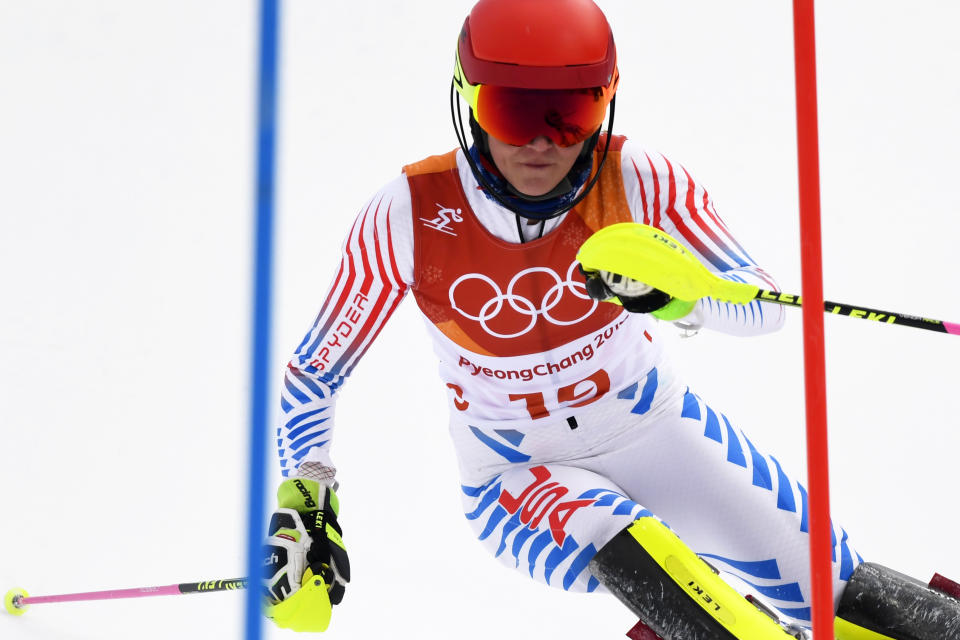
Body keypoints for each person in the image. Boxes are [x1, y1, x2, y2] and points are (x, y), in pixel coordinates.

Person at [259, 1, 960, 637]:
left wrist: (681, 294)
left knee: (842, 595)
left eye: (571, 113)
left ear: (608, 102)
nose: (541, 143)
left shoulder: (640, 179)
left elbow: (764, 308)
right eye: (513, 112)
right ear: (468, 102)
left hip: (659, 430)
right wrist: (306, 495)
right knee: (669, 578)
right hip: (517, 471)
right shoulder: (407, 215)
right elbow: (314, 373)